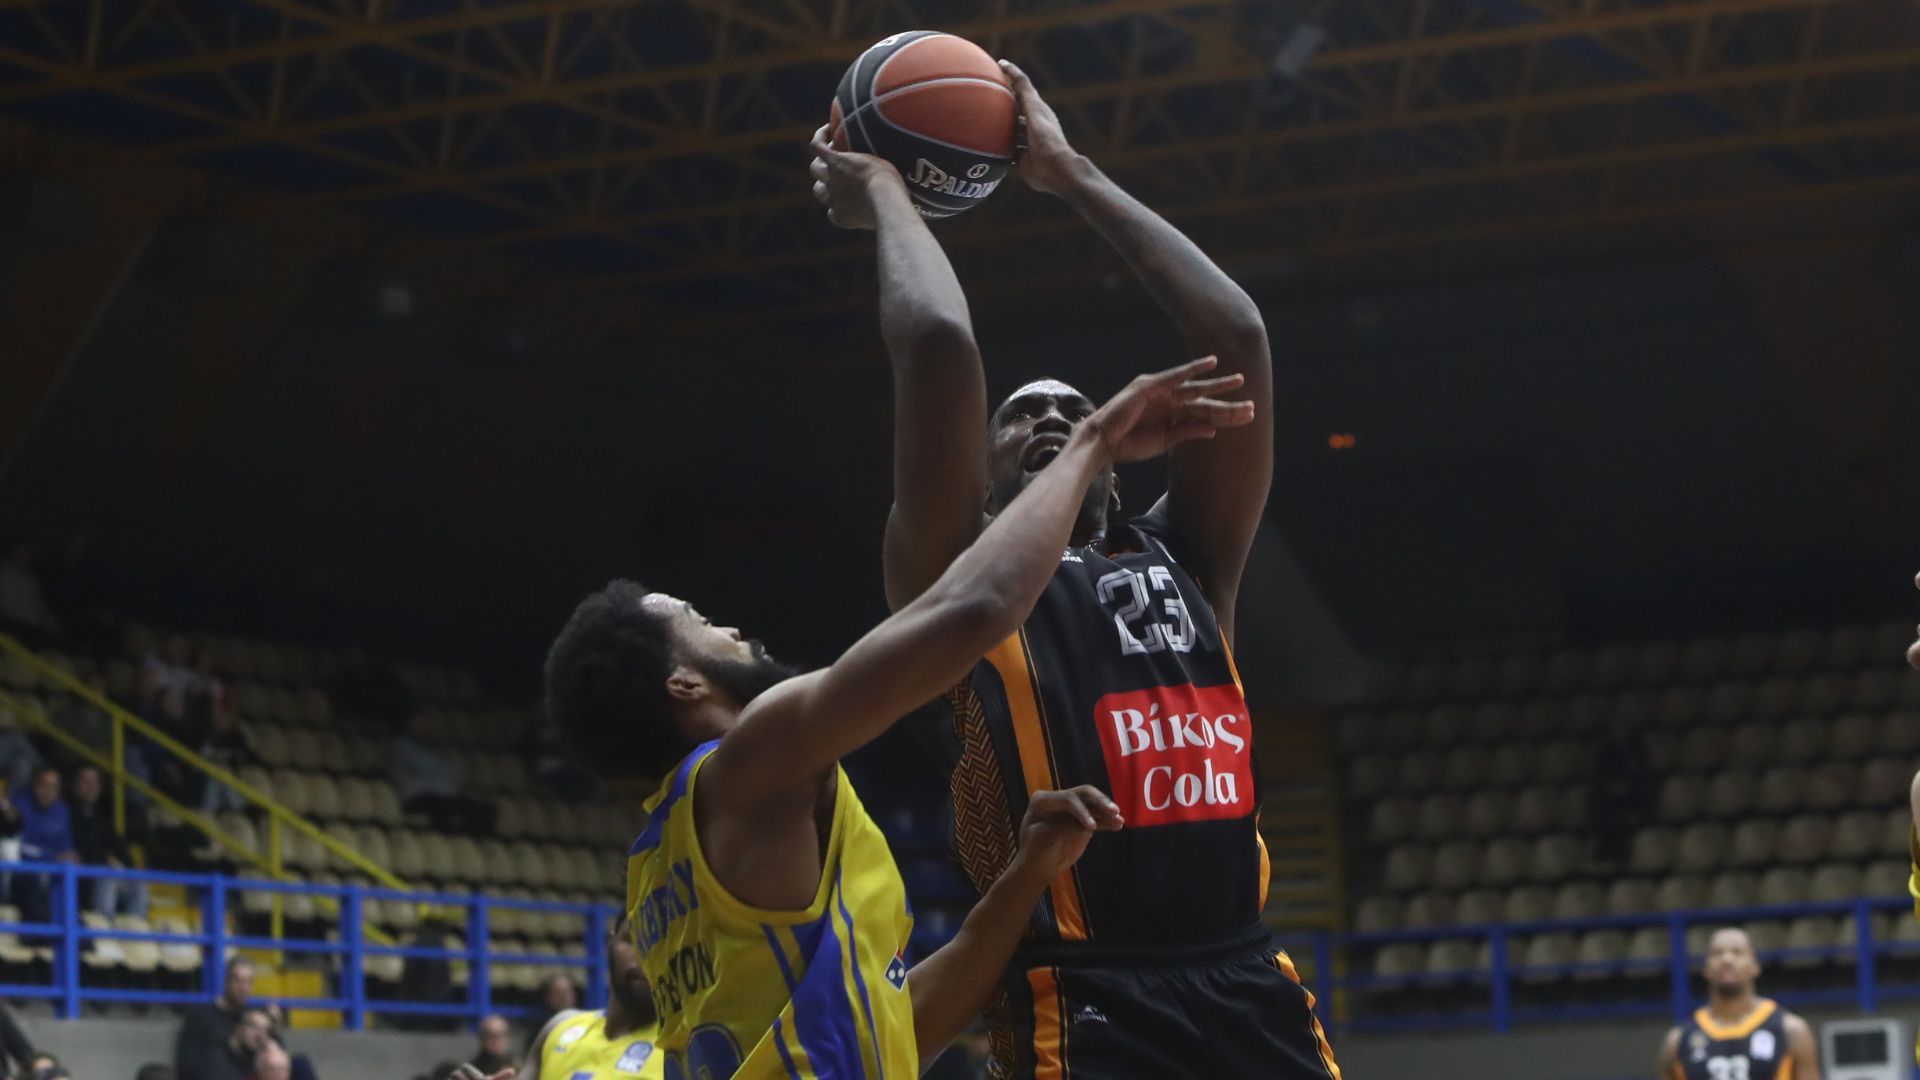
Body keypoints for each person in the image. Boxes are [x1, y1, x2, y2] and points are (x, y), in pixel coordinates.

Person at [812, 60, 1337, 1079]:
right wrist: (884, 192)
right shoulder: (952, 579)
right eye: (1022, 415)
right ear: (981, 472)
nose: (1052, 416)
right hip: (1082, 994)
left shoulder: (1189, 556)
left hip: (1247, 978)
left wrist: (1070, 172)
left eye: (1073, 407)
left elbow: (1237, 335)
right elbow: (938, 340)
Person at [539, 358, 1237, 1074]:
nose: (732, 629)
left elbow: (900, 1025)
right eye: (701, 621)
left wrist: (1027, 877)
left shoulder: (658, 869)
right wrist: (1092, 441)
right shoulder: (755, 758)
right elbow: (974, 611)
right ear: (684, 683)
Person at [462, 914, 660, 1080]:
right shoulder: (560, 1027)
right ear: (610, 944)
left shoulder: (676, 1048)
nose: (646, 954)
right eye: (633, 939)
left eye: (661, 944)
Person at [1656, 927, 1819, 1080]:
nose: (1727, 959)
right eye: (1717, 953)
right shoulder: (1678, 1041)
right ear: (1706, 969)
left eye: (1737, 952)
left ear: (1755, 966)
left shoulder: (1791, 1031)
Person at [388, 712, 497, 836]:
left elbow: (447, 772)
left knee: (479, 810)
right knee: (444, 809)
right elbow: (426, 769)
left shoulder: (426, 748)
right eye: (418, 722)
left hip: (441, 796)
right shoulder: (399, 745)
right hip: (418, 797)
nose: (423, 726)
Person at [67, 765, 147, 917]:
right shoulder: (66, 814)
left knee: (138, 882)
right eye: (85, 782)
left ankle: (136, 928)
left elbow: (120, 847)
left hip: (104, 874)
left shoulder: (101, 816)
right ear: (76, 785)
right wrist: (107, 865)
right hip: (82, 878)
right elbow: (78, 850)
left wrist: (126, 870)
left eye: (94, 782)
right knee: (109, 877)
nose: (90, 787)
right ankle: (103, 928)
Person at [8, 766, 75, 922]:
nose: (49, 791)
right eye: (45, 785)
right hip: (24, 873)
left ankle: (72, 925)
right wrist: (50, 856)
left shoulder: (61, 811)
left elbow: (66, 849)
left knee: (71, 875)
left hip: (52, 873)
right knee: (39, 880)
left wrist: (70, 857)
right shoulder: (19, 804)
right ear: (35, 786)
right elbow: (17, 846)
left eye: (54, 787)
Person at [1588, 712, 1656, 865]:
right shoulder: (1604, 752)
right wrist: (1611, 788)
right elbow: (1598, 782)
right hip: (1610, 809)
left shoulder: (1638, 750)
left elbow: (1645, 779)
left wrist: (1630, 787)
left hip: (1633, 805)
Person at [175, 958, 257, 1080]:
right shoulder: (200, 1016)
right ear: (226, 981)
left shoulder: (253, 1018)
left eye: (248, 982)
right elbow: (185, 1062)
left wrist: (273, 1029)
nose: (243, 988)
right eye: (237, 980)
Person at [0, 536, 58, 647]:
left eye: (27, 550)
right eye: (21, 550)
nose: (25, 554)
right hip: (15, 626)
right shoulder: (4, 572)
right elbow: (6, 605)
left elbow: (39, 605)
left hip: (34, 628)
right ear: (13, 551)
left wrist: (51, 622)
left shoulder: (31, 578)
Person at [522, 975, 578, 1057]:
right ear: (547, 996)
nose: (563, 997)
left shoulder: (583, 1022)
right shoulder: (539, 1027)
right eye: (558, 992)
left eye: (567, 992)